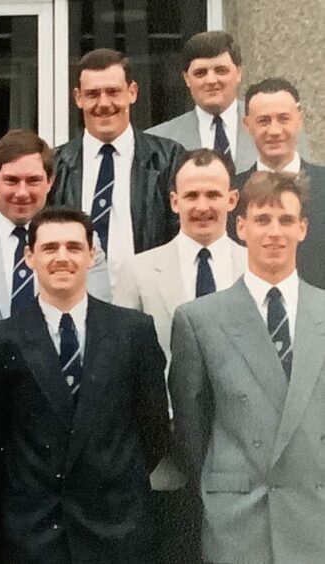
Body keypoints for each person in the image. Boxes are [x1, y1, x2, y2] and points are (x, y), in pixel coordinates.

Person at [0, 207, 170, 563]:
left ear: (91, 254)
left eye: (73, 247)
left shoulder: (133, 331)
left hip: (117, 527)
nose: (62, 258)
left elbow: (154, 430)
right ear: (29, 256)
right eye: (49, 248)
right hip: (36, 533)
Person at [169, 172, 325, 563]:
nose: (274, 232)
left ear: (303, 228)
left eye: (286, 220)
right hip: (238, 517)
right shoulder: (199, 319)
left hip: (314, 507)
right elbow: (192, 427)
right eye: (262, 219)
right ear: (240, 227)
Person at [113, 148, 246, 563]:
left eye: (212, 194)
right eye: (190, 196)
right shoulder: (137, 271)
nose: (202, 206)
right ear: (173, 202)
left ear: (232, 199)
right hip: (165, 461)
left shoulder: (256, 268)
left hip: (240, 456)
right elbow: (123, 369)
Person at [0, 129, 111, 360]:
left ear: (50, 182)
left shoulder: (83, 243)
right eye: (11, 180)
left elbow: (98, 312)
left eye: (33, 181)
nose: (22, 192)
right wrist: (0, 355)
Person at [51, 48, 185, 290]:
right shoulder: (55, 164)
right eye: (93, 94)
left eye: (113, 92)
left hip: (148, 300)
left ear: (132, 92)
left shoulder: (169, 159)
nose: (104, 104)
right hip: (74, 302)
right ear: (78, 97)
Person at [231, 78, 325, 288]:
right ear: (247, 125)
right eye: (264, 121)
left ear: (299, 119)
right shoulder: (231, 195)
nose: (274, 131)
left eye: (283, 119)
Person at [146, 31, 256, 173]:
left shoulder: (272, 128)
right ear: (186, 78)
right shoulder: (157, 142)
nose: (211, 81)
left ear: (239, 73)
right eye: (200, 73)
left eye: (221, 71)